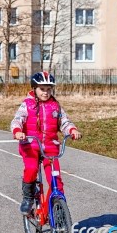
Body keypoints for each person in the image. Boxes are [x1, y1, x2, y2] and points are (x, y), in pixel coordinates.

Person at [10, 71, 82, 215]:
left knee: (56, 181)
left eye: (49, 89)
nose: (45, 92)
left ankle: (54, 208)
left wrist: (72, 130)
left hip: (50, 147)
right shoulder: (27, 104)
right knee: (31, 169)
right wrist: (17, 131)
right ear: (34, 89)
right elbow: (17, 119)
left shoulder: (55, 106)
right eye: (42, 89)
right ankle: (28, 198)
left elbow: (64, 122)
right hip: (30, 145)